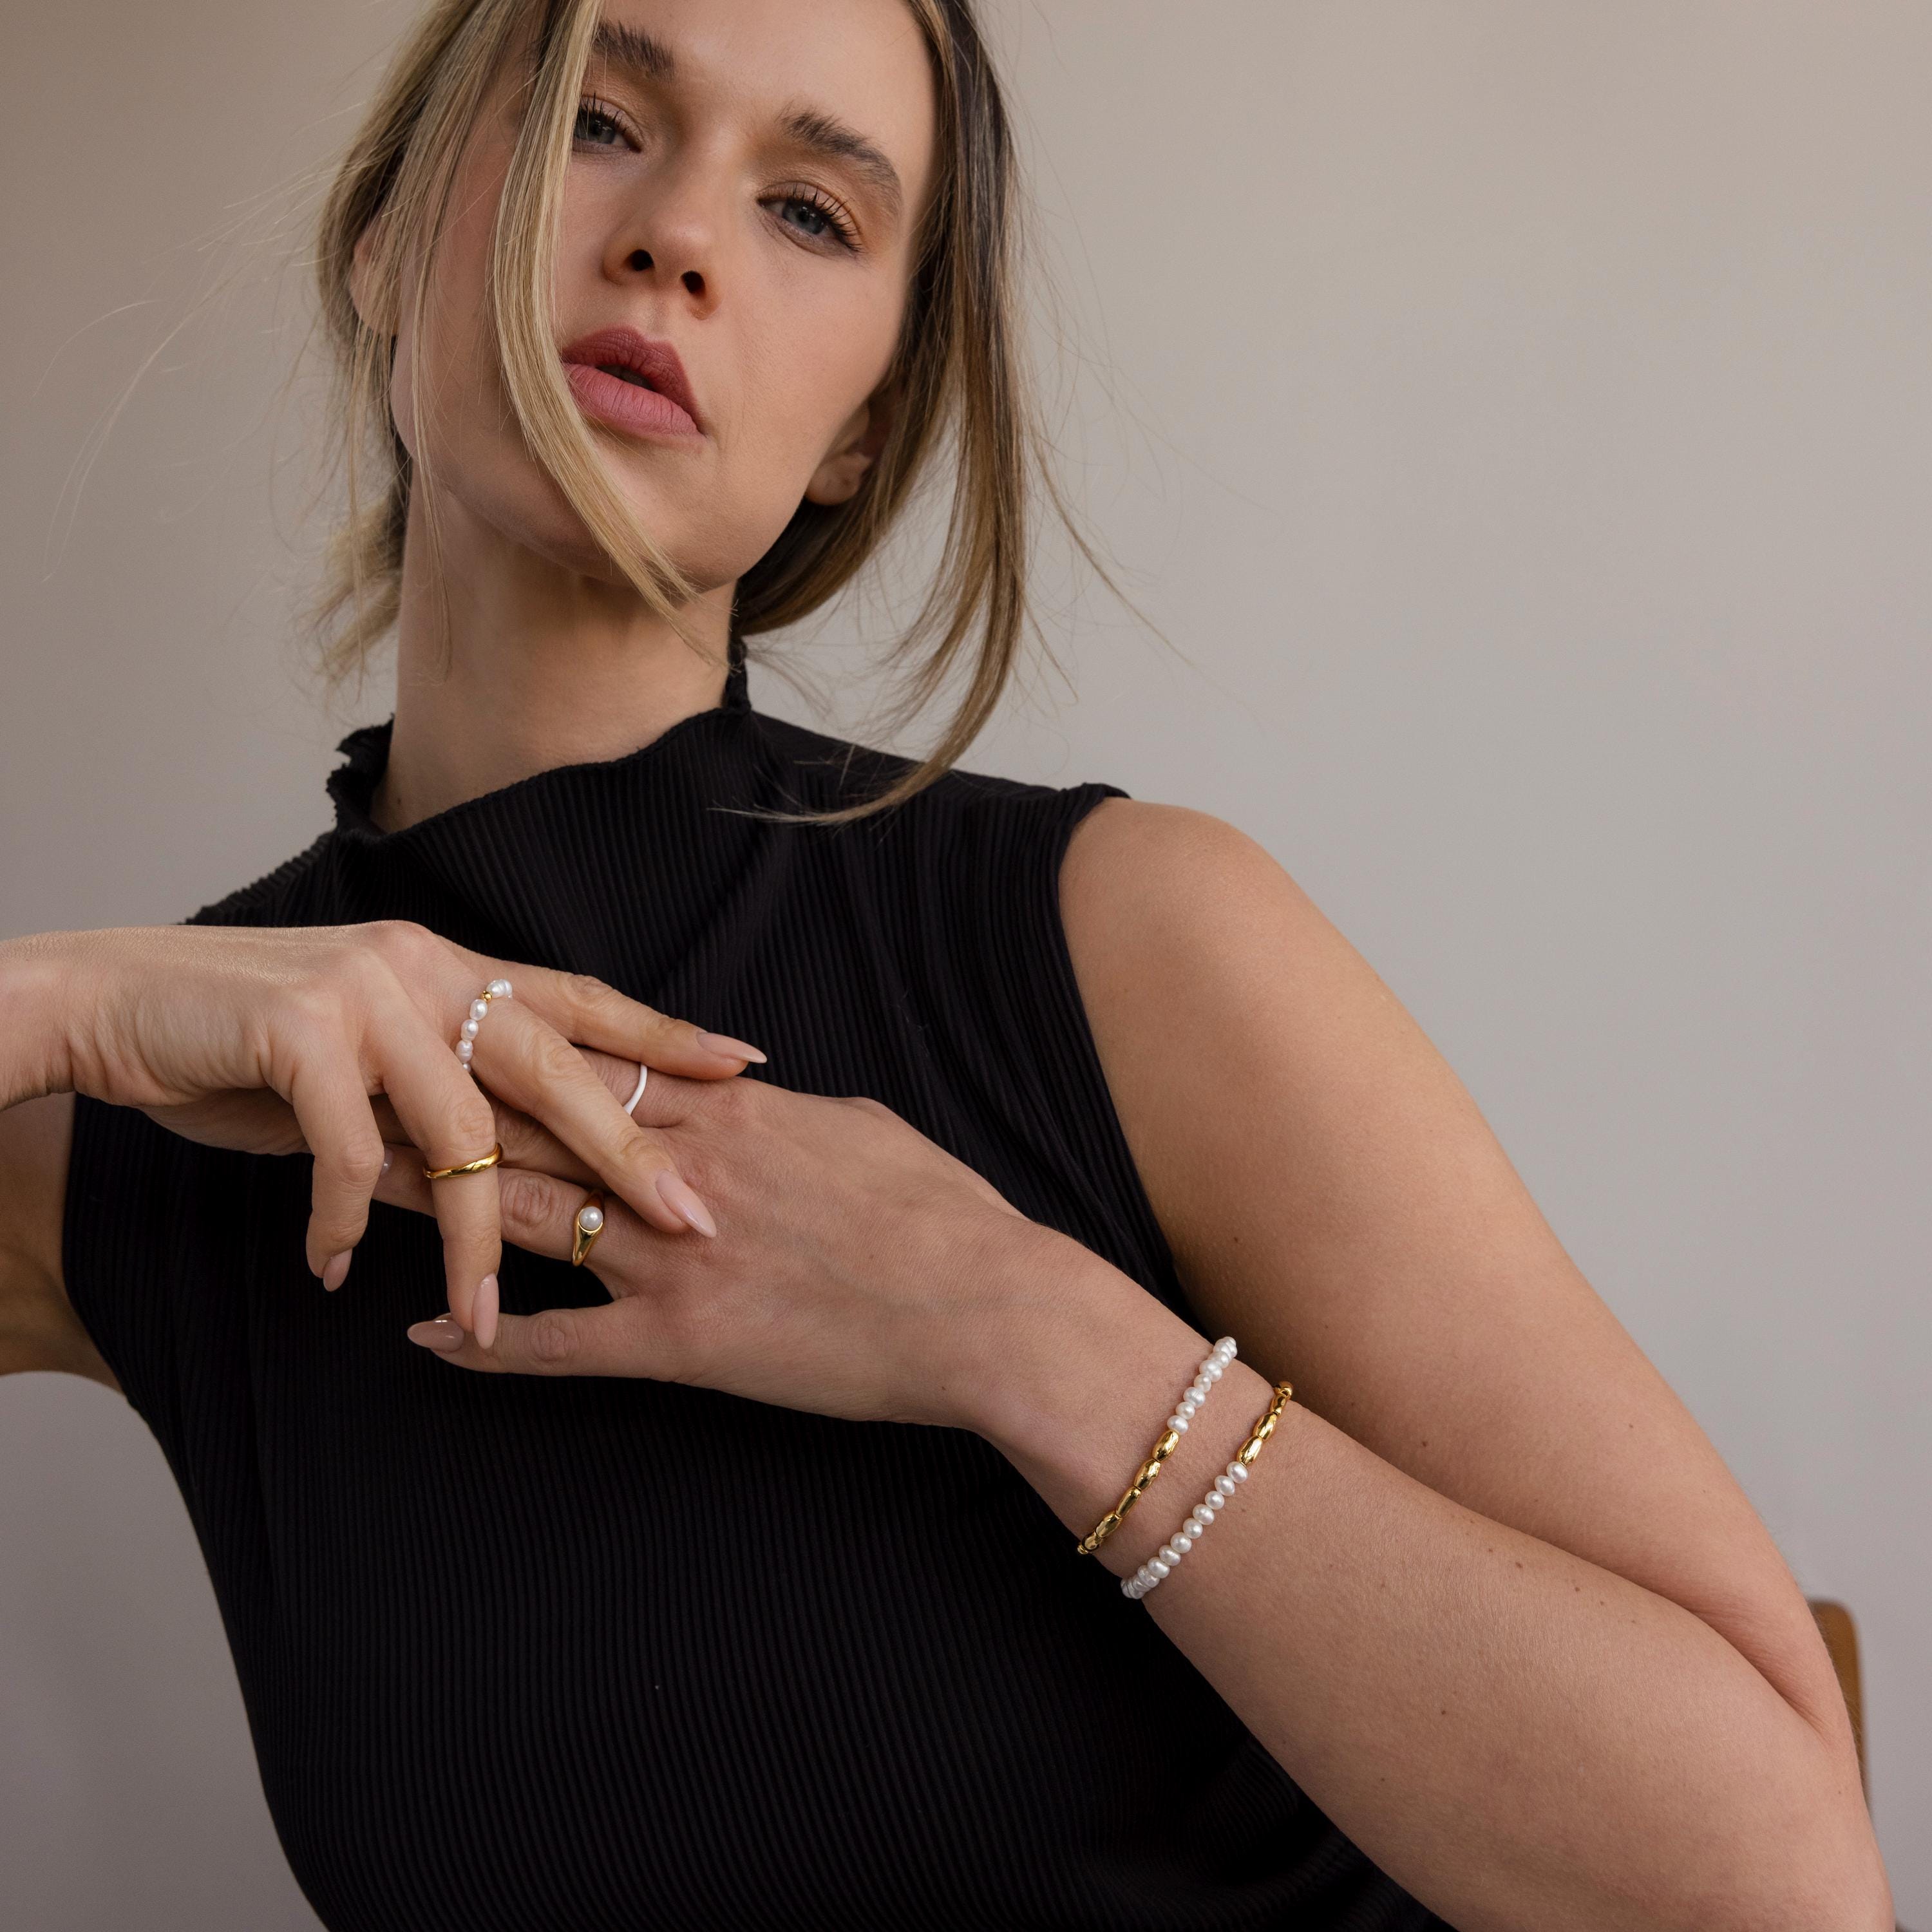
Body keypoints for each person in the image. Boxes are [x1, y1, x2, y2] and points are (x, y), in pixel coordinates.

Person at [0, 1, 1893, 1927]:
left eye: (812, 210)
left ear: (866, 431)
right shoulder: (148, 1121)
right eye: (596, 118)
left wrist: (1002, 1323)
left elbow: (1778, 1880)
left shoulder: (1115, 943)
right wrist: (54, 1002)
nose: (679, 238)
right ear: (388, 235)